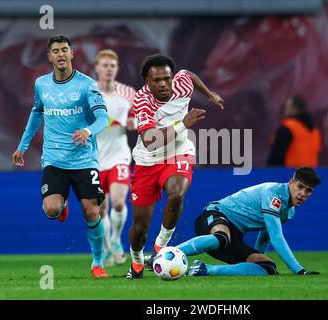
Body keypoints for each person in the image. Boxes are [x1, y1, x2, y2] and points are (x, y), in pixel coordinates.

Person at [12, 34, 110, 278]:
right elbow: (37, 114)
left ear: (72, 53)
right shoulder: (41, 84)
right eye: (55, 51)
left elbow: (103, 118)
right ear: (49, 56)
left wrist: (87, 131)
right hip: (54, 160)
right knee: (52, 210)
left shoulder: (87, 85)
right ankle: (61, 202)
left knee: (92, 212)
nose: (60, 54)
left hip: (84, 160)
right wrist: (22, 146)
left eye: (64, 49)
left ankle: (97, 262)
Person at [127, 53, 224, 279]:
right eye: (156, 80)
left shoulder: (181, 83)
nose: (163, 84)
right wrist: (183, 124)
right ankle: (137, 262)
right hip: (148, 161)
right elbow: (150, 142)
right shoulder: (142, 101)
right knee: (139, 228)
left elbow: (189, 75)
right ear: (146, 82)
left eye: (166, 78)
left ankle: (160, 247)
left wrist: (209, 94)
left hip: (178, 152)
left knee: (177, 193)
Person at [176, 167, 321, 276]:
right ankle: (165, 254)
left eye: (308, 191)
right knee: (221, 237)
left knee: (267, 267)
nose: (303, 194)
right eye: (300, 187)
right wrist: (299, 270)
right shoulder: (273, 193)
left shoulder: (289, 212)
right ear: (291, 182)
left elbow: (266, 235)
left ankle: (203, 269)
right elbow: (277, 238)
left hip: (234, 236)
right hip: (215, 215)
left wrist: (256, 256)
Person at [95, 49, 136, 267]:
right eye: (105, 65)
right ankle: (107, 249)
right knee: (101, 209)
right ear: (97, 68)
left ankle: (116, 241)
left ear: (117, 69)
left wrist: (133, 124)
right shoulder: (89, 93)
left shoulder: (128, 93)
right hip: (94, 159)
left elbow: (140, 118)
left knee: (119, 203)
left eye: (113, 65)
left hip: (119, 156)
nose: (109, 69)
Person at [267, 95, 322, 167]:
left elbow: (276, 155)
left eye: (287, 107)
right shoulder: (315, 132)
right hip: (310, 174)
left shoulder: (288, 128)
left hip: (290, 174)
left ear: (294, 109)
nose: (285, 110)